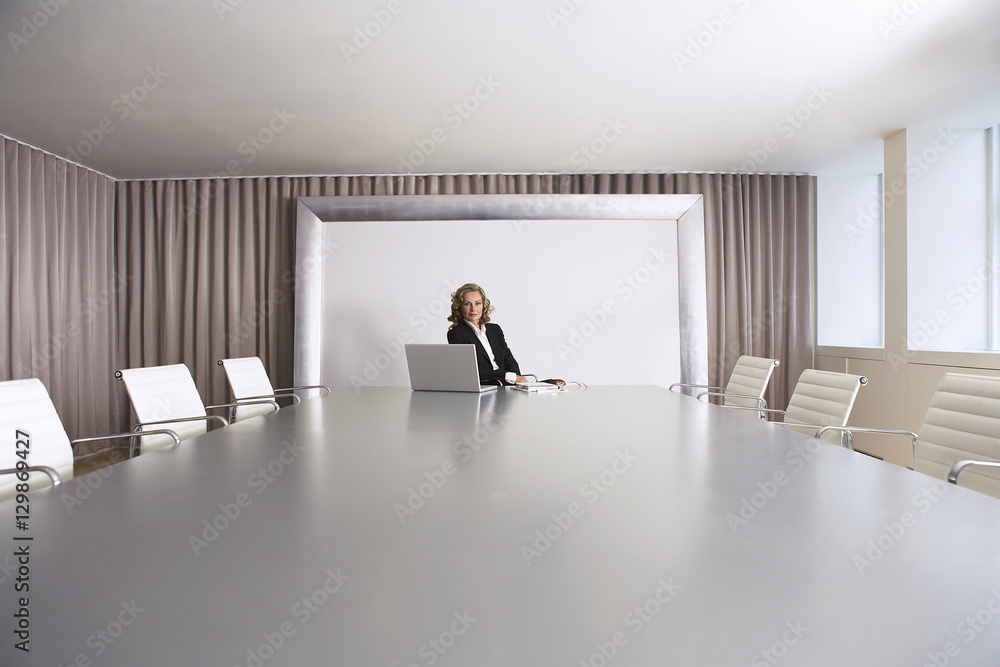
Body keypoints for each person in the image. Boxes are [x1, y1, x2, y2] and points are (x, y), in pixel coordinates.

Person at [447, 283, 530, 385]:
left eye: (477, 303)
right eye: (467, 304)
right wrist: (508, 376)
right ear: (459, 307)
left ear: (483, 305)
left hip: (508, 385)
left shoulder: (495, 329)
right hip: (487, 386)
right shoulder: (456, 334)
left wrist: (517, 381)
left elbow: (509, 360)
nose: (473, 309)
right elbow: (470, 371)